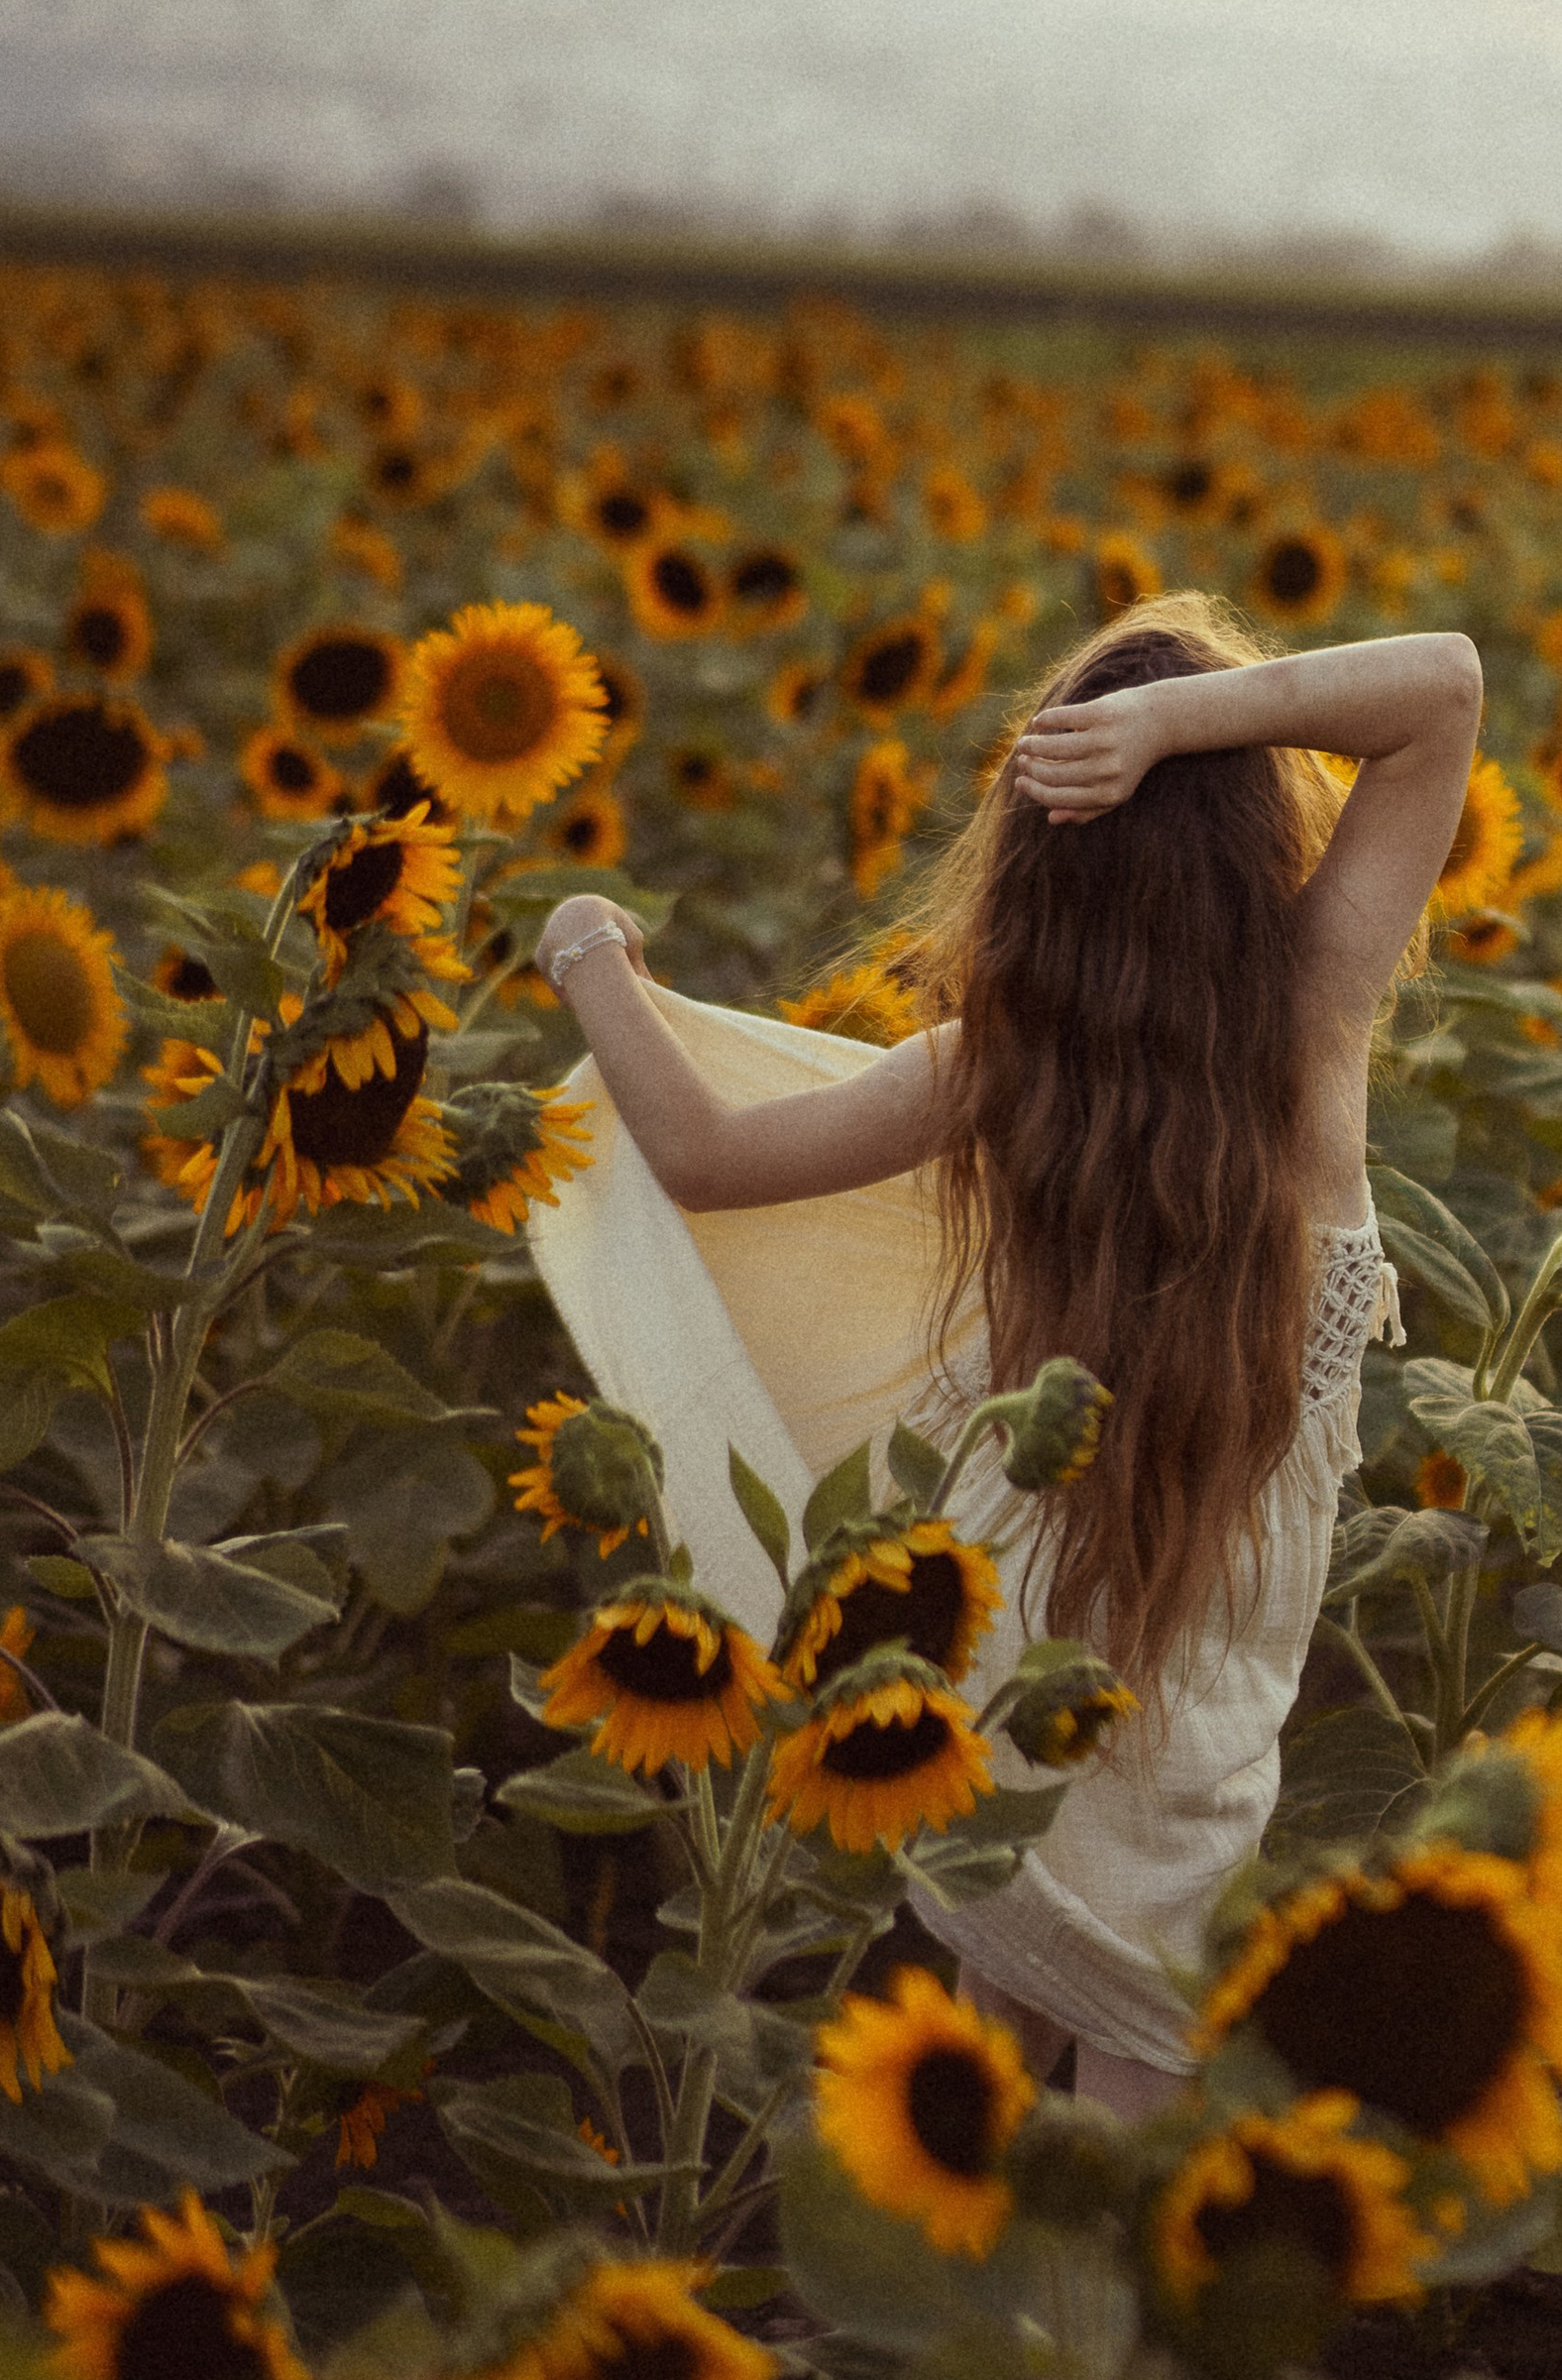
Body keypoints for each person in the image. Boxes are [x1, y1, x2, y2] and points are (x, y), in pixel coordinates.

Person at [529, 592, 1484, 2119]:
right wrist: (1182, 722)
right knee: (1143, 2038)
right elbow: (1442, 686)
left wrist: (590, 956)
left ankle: (953, 2256)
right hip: (1210, 1635)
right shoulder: (1313, 1019)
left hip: (1015, 1599)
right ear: (1255, 850)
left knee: (1014, 1919)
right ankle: (1067, 2326)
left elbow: (700, 1156)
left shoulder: (995, 1070)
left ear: (1038, 858)